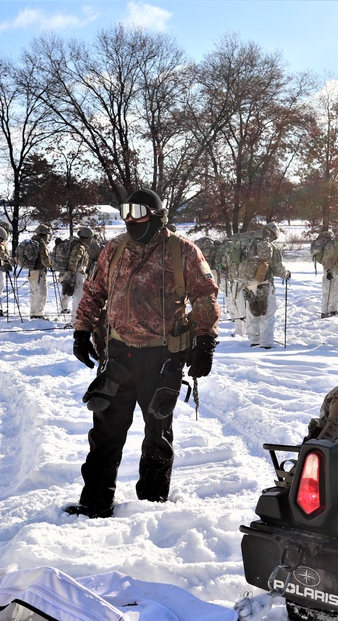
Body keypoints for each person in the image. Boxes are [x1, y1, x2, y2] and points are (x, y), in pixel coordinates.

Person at [67, 188, 220, 518]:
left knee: (158, 435)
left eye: (137, 211)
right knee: (105, 433)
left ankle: (152, 508)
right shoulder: (115, 249)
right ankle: (95, 501)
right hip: (119, 356)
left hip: (162, 359)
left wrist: (205, 341)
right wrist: (81, 330)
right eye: (125, 212)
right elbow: (94, 292)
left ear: (157, 214)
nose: (130, 219)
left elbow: (205, 297)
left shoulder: (182, 251)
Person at [243, 222, 290, 349]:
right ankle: (266, 343)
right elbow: (277, 269)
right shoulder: (271, 247)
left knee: (252, 312)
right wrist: (286, 274)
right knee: (267, 314)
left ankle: (254, 340)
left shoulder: (247, 243)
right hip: (264, 284)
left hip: (247, 284)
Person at [63, 227, 94, 327]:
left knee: (79, 298)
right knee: (78, 299)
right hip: (77, 275)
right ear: (87, 237)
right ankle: (75, 321)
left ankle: (76, 320)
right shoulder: (79, 248)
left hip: (78, 274)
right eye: (90, 238)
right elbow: (73, 262)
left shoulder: (81, 246)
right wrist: (72, 278)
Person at [28, 223, 51, 320]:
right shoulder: (41, 243)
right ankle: (38, 314)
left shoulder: (32, 241)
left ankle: (33, 312)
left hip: (32, 271)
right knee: (41, 292)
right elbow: (45, 259)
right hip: (39, 271)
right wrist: (50, 265)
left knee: (34, 291)